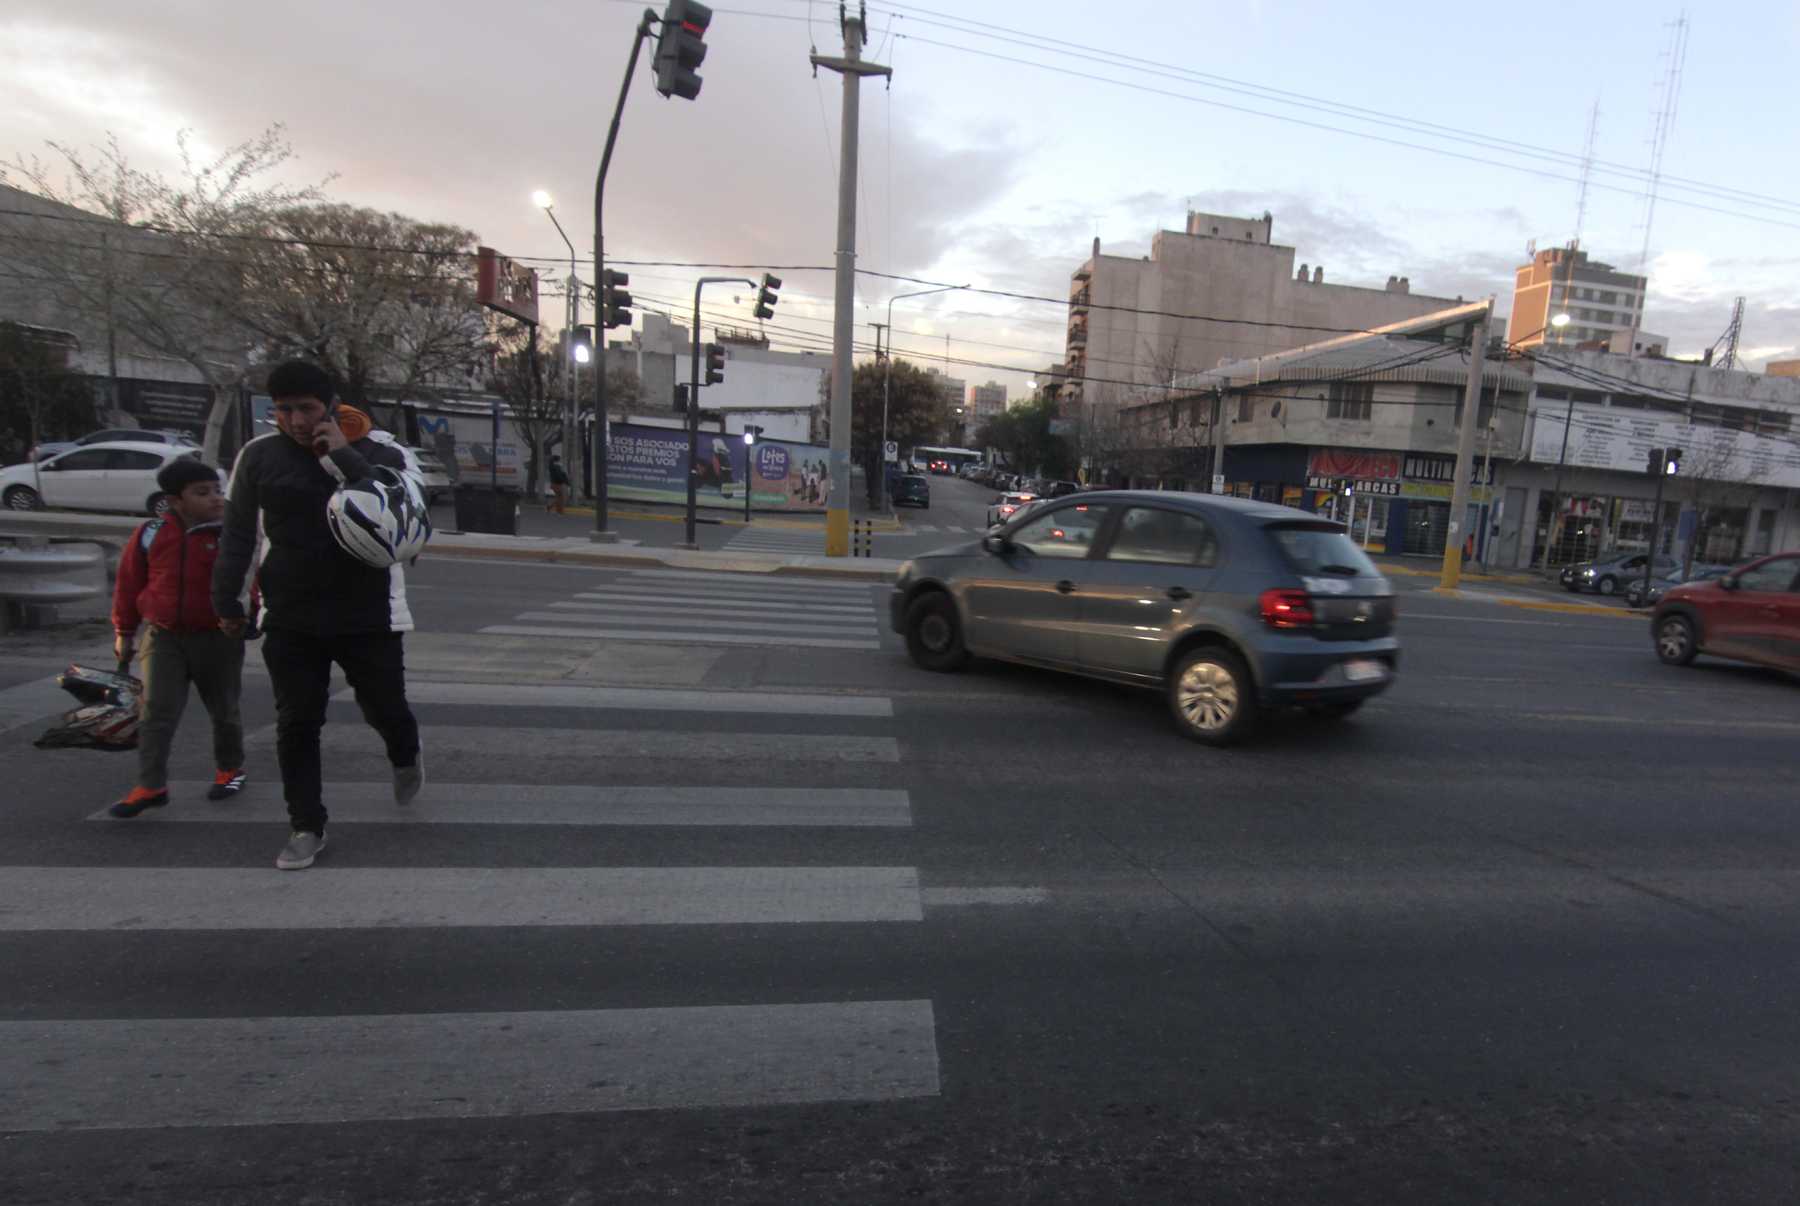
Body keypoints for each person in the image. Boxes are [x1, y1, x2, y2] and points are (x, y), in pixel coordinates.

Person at [213, 360, 424, 871]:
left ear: (329, 405)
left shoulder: (381, 450)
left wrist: (343, 457)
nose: (295, 420)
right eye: (283, 410)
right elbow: (239, 533)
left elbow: (404, 510)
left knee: (385, 708)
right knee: (297, 723)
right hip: (290, 614)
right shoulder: (259, 456)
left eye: (305, 408)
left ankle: (404, 753)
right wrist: (227, 600)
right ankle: (306, 825)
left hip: (368, 614)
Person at [108, 459, 246, 818]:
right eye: (202, 493)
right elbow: (129, 584)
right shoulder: (151, 533)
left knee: (224, 710)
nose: (215, 499)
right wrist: (124, 632)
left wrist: (250, 615)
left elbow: (255, 579)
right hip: (163, 636)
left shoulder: (231, 534)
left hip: (218, 637)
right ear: (175, 500)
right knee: (156, 712)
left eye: (217, 490)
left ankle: (230, 770)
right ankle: (151, 785)